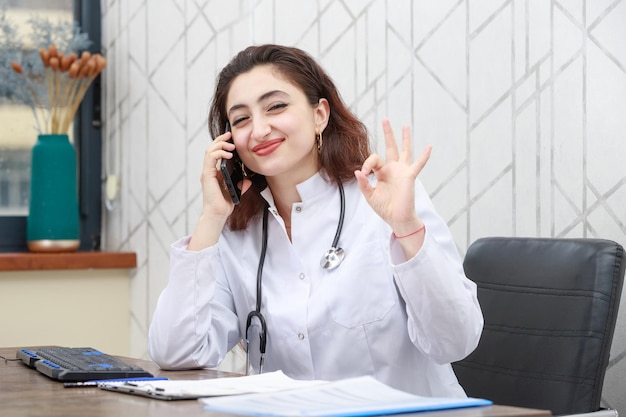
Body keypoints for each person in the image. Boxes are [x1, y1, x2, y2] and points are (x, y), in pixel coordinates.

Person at [148, 44, 483, 398]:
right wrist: (211, 218)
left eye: (276, 106)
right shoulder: (237, 233)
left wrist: (406, 227)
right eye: (241, 119)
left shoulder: (383, 202)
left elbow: (456, 341)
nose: (259, 130)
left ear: (320, 114)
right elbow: (176, 354)